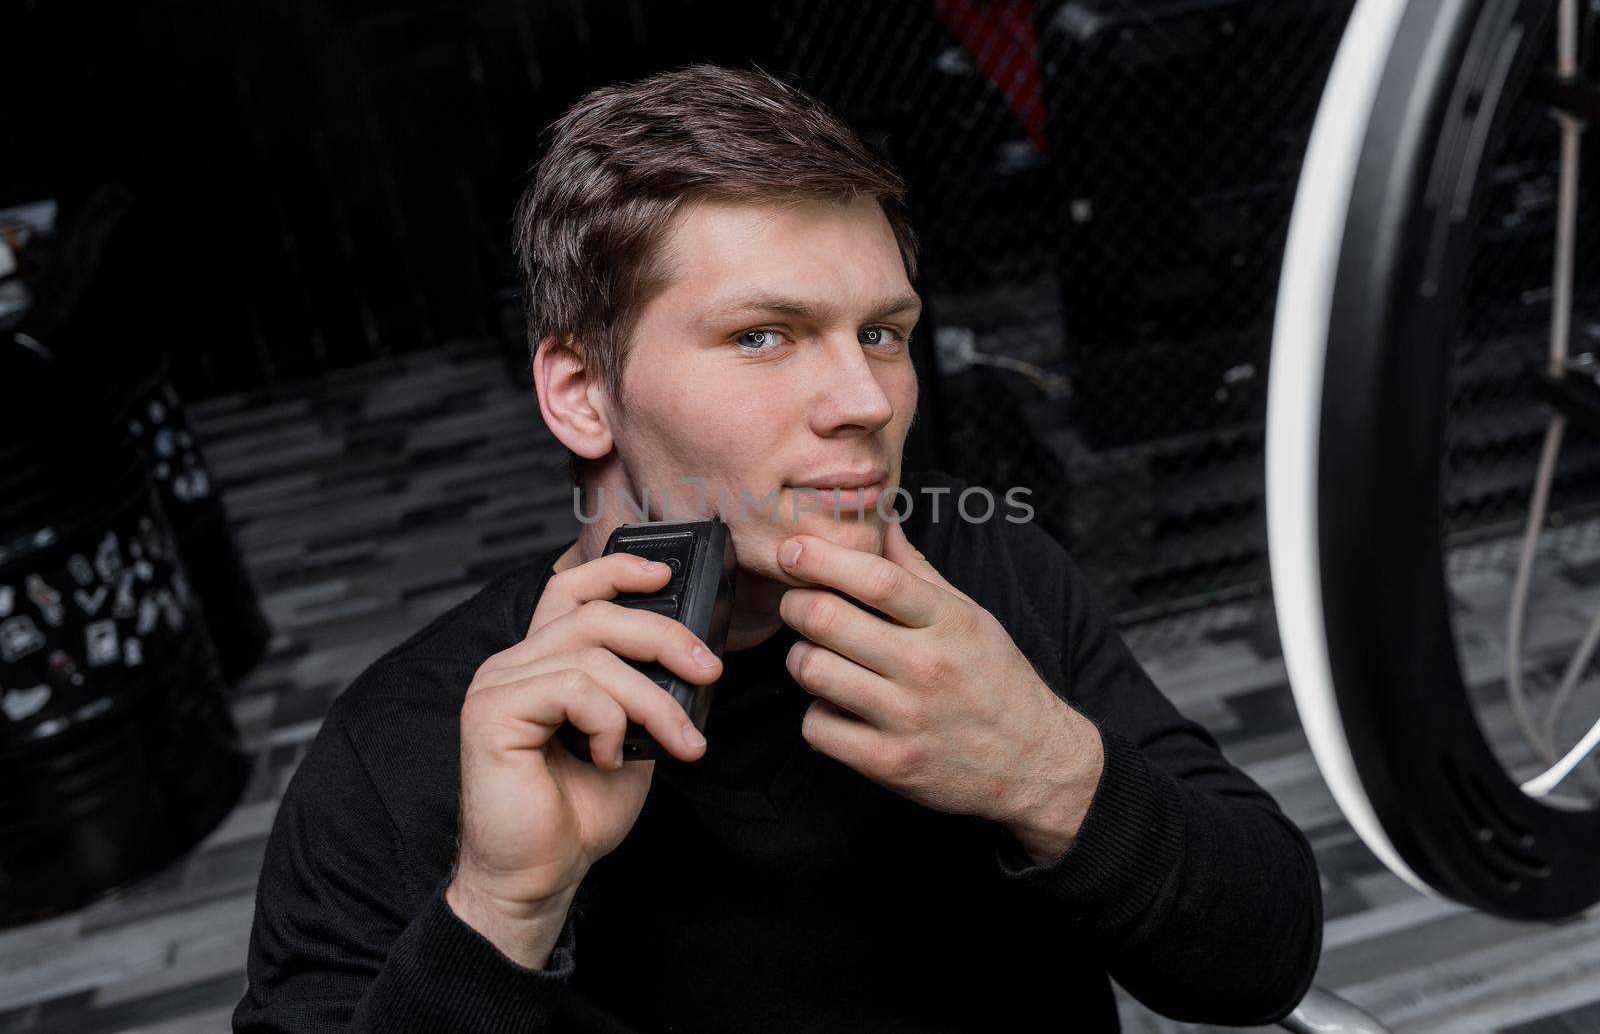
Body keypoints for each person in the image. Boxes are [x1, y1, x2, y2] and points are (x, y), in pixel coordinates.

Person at [234, 63, 1322, 1032]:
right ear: (581, 393)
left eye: (882, 334)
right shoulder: (401, 749)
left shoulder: (980, 583)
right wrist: (499, 911)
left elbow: (1263, 959)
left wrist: (1048, 771)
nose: (866, 400)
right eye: (763, 335)